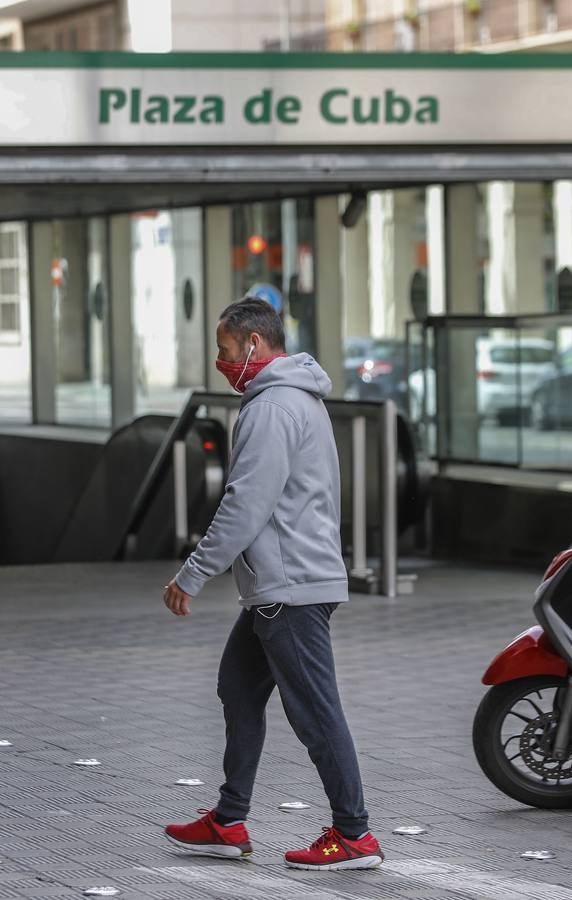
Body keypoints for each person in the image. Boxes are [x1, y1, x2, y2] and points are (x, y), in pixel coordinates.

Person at [161, 298, 382, 871]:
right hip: (280, 585)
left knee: (315, 710)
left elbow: (246, 505)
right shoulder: (291, 398)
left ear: (253, 346)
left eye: (224, 349)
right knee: (238, 687)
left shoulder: (273, 408)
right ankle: (229, 821)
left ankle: (355, 835)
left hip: (290, 588)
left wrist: (193, 573)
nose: (219, 361)